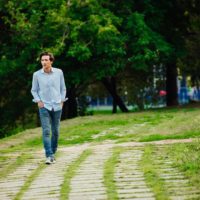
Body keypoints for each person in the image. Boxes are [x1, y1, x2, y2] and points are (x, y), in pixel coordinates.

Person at [31, 52, 67, 164]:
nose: (44, 62)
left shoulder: (59, 72)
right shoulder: (36, 75)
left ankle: (53, 151)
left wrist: (62, 101)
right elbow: (34, 90)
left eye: (46, 60)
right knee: (46, 131)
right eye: (42, 60)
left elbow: (63, 88)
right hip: (44, 106)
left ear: (51, 61)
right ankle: (49, 155)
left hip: (57, 105)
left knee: (55, 131)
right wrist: (38, 100)